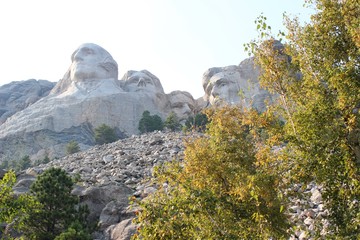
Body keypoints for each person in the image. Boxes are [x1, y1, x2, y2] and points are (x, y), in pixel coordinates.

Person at [50, 43, 120, 95]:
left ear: (109, 64)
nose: (76, 57)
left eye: (88, 53)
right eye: (73, 57)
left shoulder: (117, 94)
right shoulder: (58, 100)